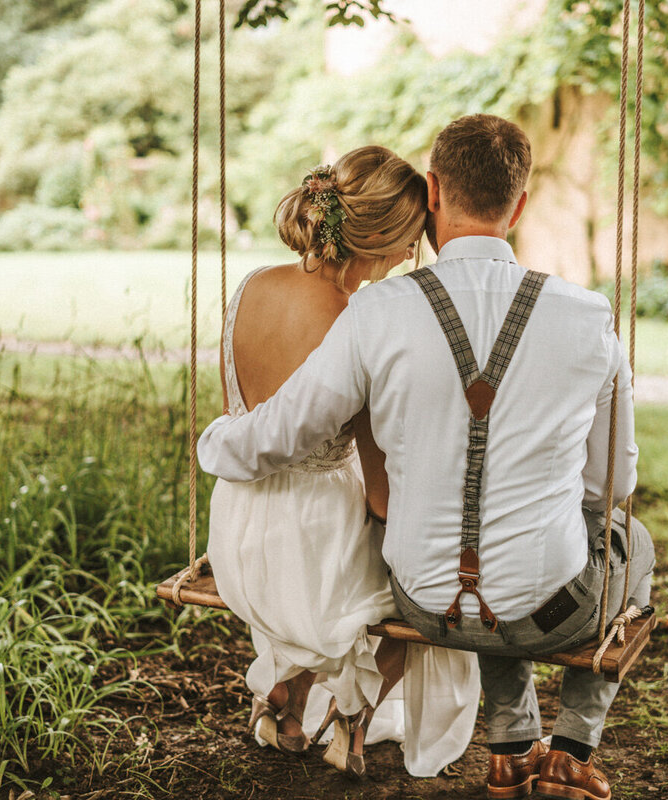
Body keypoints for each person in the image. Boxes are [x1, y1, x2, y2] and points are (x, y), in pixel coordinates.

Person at [199, 115, 656, 800]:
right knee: (629, 543)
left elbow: (285, 428)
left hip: (425, 603)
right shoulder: (589, 316)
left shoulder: (377, 311)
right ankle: (570, 750)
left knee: (489, 566)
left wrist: (213, 443)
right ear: (520, 206)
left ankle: (508, 746)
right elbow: (612, 480)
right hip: (547, 609)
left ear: (434, 193)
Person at [206, 144, 479, 779]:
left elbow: (242, 414)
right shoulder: (357, 319)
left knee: (376, 570)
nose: (410, 259)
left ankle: (292, 696)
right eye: (411, 243)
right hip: (312, 539)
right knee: (426, 590)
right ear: (383, 241)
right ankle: (353, 715)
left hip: (240, 524)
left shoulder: (251, 287)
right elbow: (380, 492)